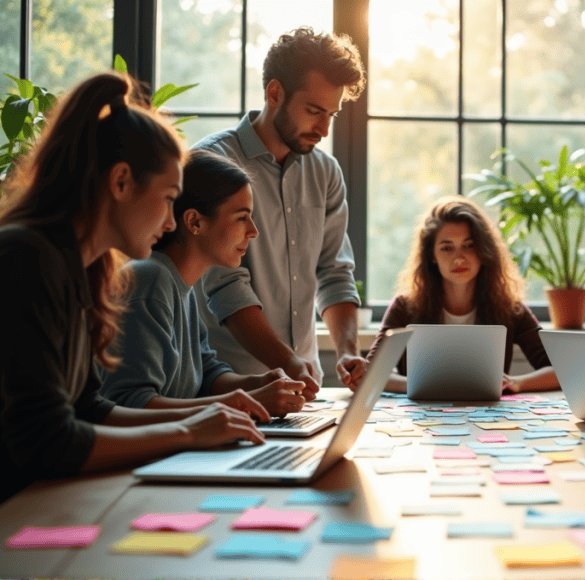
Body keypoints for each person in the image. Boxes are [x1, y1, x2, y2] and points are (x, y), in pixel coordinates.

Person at [0, 72, 265, 504]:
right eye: (167, 199)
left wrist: (207, 419)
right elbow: (45, 440)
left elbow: (90, 408)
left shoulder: (82, 268)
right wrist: (185, 433)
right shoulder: (26, 258)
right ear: (121, 182)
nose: (169, 222)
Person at [193, 26, 367, 398]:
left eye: (332, 115)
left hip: (304, 391)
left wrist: (348, 352)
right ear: (275, 93)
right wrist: (287, 362)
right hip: (228, 393)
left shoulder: (326, 172)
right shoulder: (212, 162)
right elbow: (225, 287)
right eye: (314, 111)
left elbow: (334, 273)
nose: (323, 128)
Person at [99, 150, 308, 418]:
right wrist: (243, 402)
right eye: (242, 217)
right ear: (194, 221)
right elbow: (131, 403)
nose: (253, 231)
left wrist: (257, 384)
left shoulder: (184, 285)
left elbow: (207, 374)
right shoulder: (151, 280)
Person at [365, 196, 558, 394]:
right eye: (447, 248)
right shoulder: (404, 307)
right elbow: (369, 373)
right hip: (423, 420)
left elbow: (559, 370)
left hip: (489, 420)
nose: (459, 258)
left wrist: (516, 383)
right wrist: (417, 385)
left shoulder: (510, 309)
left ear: (484, 251)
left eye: (469, 245)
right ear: (432, 255)